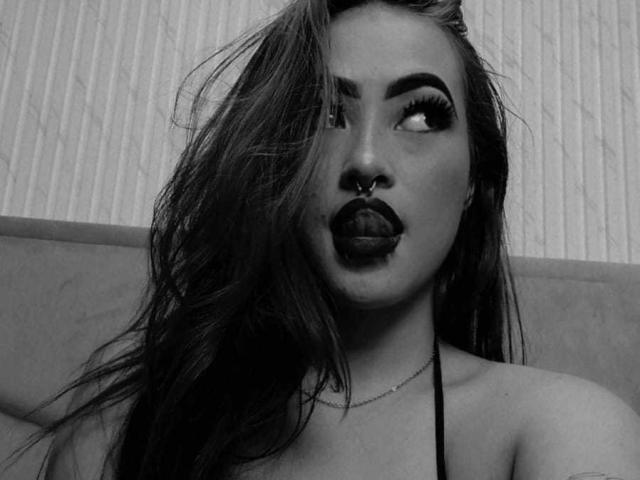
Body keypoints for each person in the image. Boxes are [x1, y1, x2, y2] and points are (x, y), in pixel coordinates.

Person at [10, 0, 640, 479]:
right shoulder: (121, 429)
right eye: (324, 114)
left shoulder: (559, 433)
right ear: (274, 154)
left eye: (421, 115)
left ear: (476, 178)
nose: (364, 160)